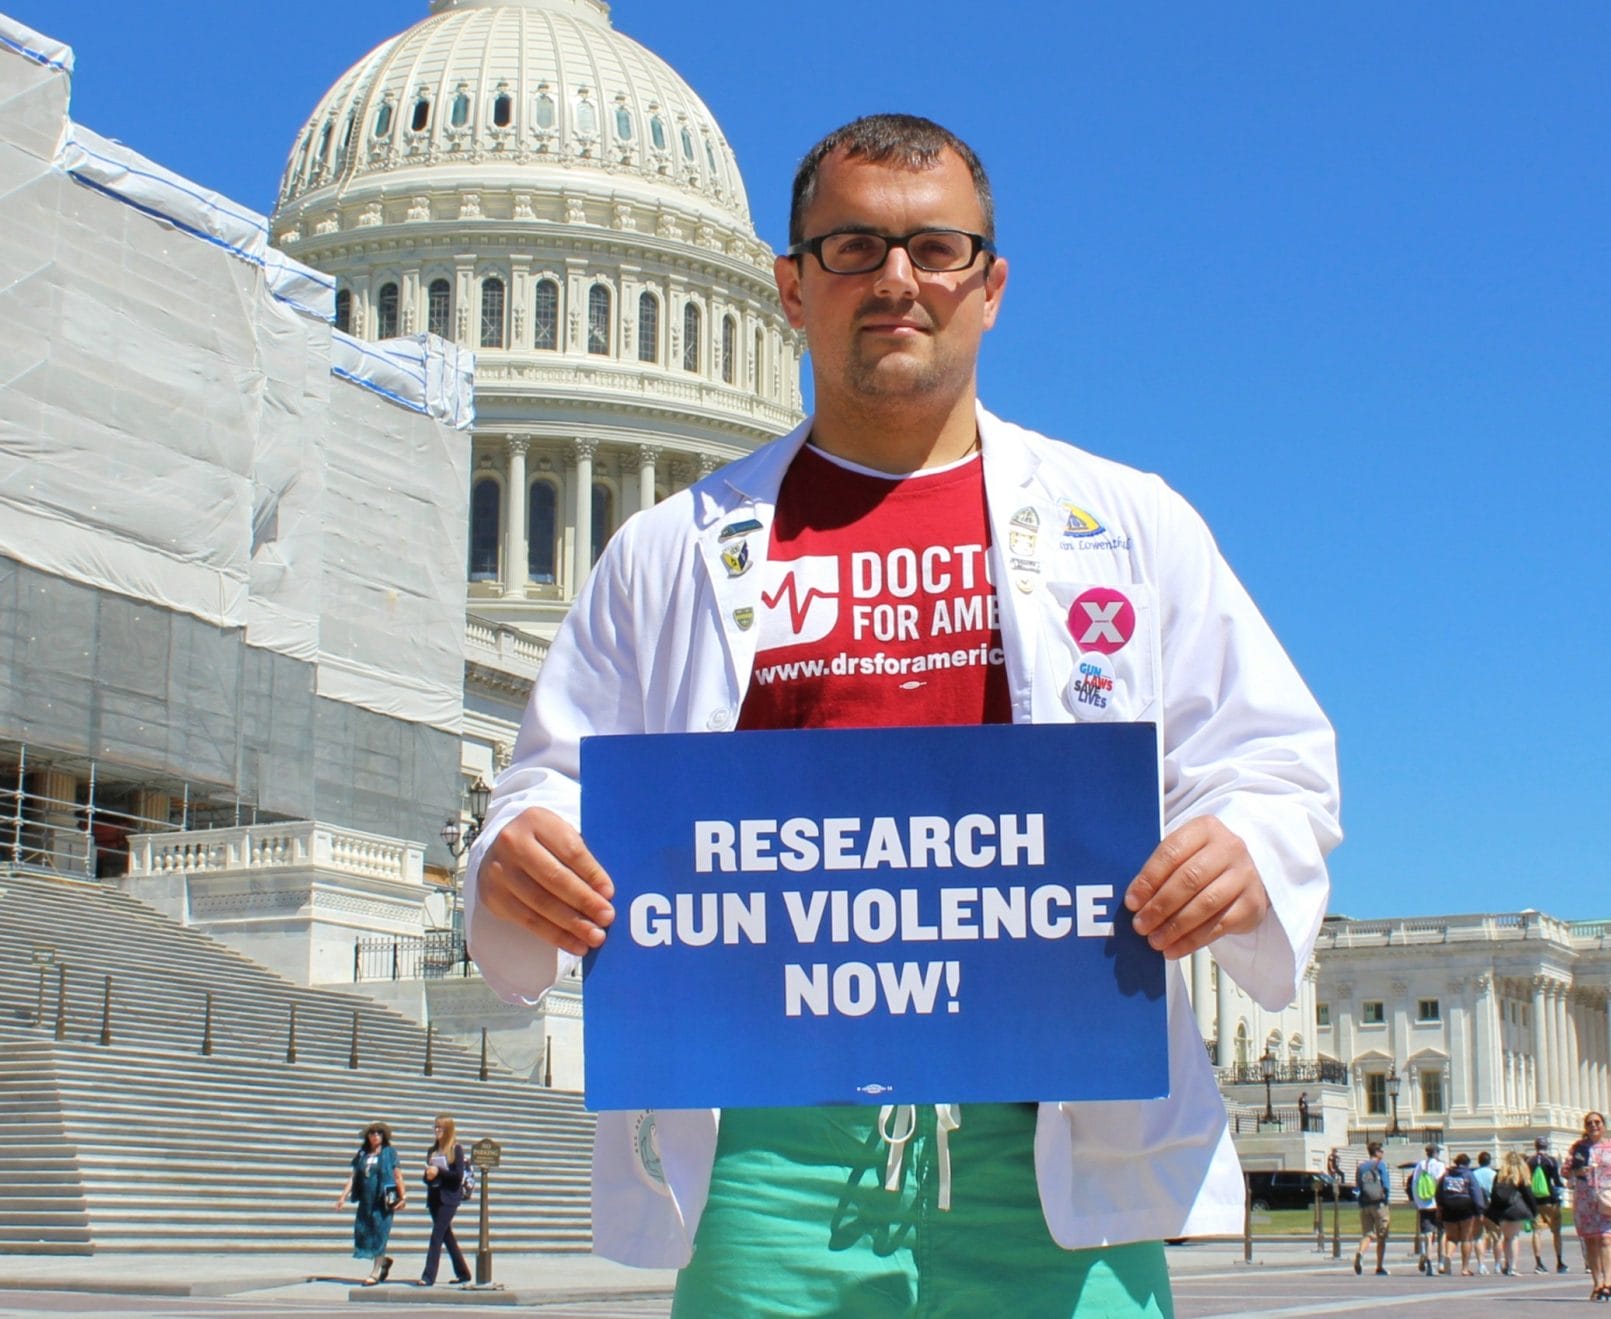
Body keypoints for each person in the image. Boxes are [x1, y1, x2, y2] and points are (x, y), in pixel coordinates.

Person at [463, 113, 1341, 1315]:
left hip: (1053, 1150)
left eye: (937, 250)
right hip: (771, 1159)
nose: (896, 282)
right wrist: (518, 854)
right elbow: (552, 778)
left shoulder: (1129, 525)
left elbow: (1271, 759)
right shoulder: (667, 552)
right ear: (788, 286)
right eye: (852, 248)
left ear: (992, 285)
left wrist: (1242, 849)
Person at [1565, 1111, 1611, 1302]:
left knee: (1607, 1239)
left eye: (1597, 1122)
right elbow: (1565, 1171)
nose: (1594, 1125)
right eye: (1589, 1123)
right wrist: (1577, 1170)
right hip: (1585, 1199)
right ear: (1585, 1127)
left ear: (1604, 1125)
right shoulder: (1578, 1147)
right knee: (1591, 1242)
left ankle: (1608, 1282)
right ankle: (1597, 1283)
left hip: (1606, 1198)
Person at [332, 1121, 403, 1286]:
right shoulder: (363, 1154)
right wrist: (343, 1196)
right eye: (372, 1133)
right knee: (364, 1234)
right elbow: (354, 1176)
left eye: (379, 1133)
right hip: (366, 1200)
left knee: (380, 1234)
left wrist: (403, 1197)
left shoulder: (389, 1153)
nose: (375, 1136)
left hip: (383, 1200)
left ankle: (375, 1273)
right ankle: (383, 1261)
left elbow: (398, 1175)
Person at [418, 1114, 472, 1288]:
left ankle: (428, 1276)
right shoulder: (432, 1150)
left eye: (440, 1127)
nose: (436, 1131)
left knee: (437, 1236)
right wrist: (429, 1175)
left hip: (449, 1198)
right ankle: (463, 1273)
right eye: (435, 1127)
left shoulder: (455, 1149)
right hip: (434, 1197)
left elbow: (457, 1176)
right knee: (447, 1236)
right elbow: (426, 1178)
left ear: (448, 1130)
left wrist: (439, 1172)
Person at [1487, 1151, 1541, 1276]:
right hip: (1515, 1210)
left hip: (1501, 1210)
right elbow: (1529, 1196)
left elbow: (1493, 1195)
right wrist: (1534, 1212)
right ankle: (1513, 1266)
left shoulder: (1499, 1176)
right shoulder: (1520, 1176)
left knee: (1506, 1238)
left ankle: (1507, 1263)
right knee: (1514, 1237)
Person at [1434, 1153, 1485, 1279]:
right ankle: (1465, 1268)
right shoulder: (1468, 1174)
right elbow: (1476, 1193)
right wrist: (1480, 1210)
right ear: (1467, 1164)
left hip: (1448, 1207)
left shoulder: (1446, 1175)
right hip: (1465, 1207)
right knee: (1466, 1238)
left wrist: (1440, 1206)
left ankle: (1448, 1257)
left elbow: (1438, 1193)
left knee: (1451, 1238)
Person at [1529, 1136, 1570, 1272]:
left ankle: (1538, 1262)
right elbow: (1556, 1181)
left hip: (1534, 1200)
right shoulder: (1550, 1161)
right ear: (1546, 1146)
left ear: (1535, 1146)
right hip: (1550, 1199)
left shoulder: (1530, 1161)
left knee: (1537, 1231)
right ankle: (1559, 1261)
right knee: (1556, 1231)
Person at [1353, 1140, 1391, 1276]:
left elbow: (1357, 1186)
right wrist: (1386, 1200)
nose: (1383, 1153)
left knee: (1367, 1234)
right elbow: (1386, 1185)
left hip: (1364, 1203)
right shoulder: (1381, 1165)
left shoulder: (1361, 1167)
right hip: (1379, 1204)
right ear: (1376, 1152)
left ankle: (1361, 1252)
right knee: (1382, 1236)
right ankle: (1379, 1266)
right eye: (1381, 1150)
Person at [1410, 1144, 1446, 1275]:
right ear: (1436, 1153)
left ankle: (1427, 1256)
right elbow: (1441, 1183)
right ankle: (1440, 1262)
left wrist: (1418, 1202)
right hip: (1437, 1203)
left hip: (1423, 1203)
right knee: (1442, 1233)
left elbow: (1415, 1183)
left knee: (1427, 1233)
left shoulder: (1420, 1165)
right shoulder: (1440, 1165)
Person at [1471, 1150, 1497, 1275]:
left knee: (1478, 1237)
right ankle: (1497, 1265)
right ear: (1489, 1161)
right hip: (1492, 1207)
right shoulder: (1493, 1174)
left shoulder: (1473, 1174)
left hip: (1477, 1207)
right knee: (1497, 1237)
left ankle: (1481, 1264)